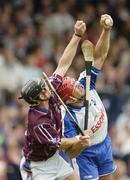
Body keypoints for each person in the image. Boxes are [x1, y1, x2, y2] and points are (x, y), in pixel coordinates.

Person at [19, 20, 91, 180]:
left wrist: (77, 35)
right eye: (44, 88)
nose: (48, 86)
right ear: (40, 97)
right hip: (37, 167)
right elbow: (59, 143)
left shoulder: (49, 91)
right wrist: (78, 139)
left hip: (53, 159)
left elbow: (63, 64)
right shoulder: (37, 121)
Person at [58, 14, 117, 180]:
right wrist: (79, 143)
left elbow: (99, 57)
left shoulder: (86, 82)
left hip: (104, 143)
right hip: (86, 155)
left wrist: (106, 31)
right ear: (69, 99)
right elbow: (70, 152)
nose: (79, 85)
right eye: (74, 87)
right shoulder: (67, 117)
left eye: (76, 82)